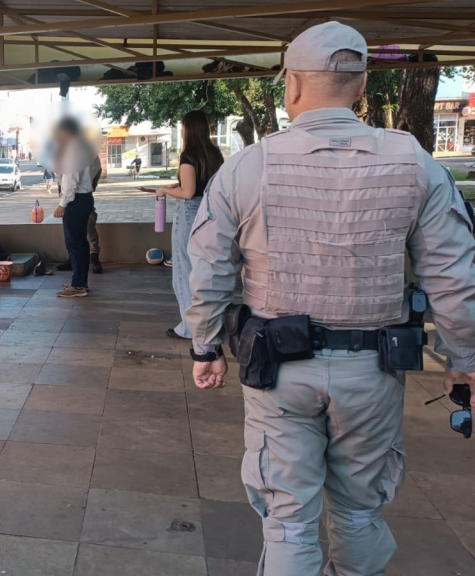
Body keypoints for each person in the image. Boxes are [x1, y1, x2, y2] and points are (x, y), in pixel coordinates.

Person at [185, 22, 475, 576]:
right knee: (361, 512)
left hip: (278, 371)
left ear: (292, 84)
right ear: (361, 84)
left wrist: (205, 346)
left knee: (289, 521)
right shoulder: (414, 162)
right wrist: (464, 359)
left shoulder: (249, 166)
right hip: (374, 371)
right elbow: (453, 276)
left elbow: (209, 267)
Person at [156, 110, 224, 340]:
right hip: (211, 212)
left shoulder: (188, 156)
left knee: (183, 270)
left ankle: (188, 327)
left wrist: (164, 190)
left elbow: (188, 192)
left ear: (187, 129)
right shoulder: (215, 154)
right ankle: (211, 323)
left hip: (189, 213)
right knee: (206, 271)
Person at [52, 118, 95, 298]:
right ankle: (80, 281)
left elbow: (70, 181)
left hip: (75, 201)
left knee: (74, 243)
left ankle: (78, 285)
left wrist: (62, 204)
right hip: (85, 198)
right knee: (80, 242)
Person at [56, 154, 104, 274]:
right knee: (72, 235)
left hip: (79, 195)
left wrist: (89, 186)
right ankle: (74, 260)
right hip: (73, 193)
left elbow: (97, 169)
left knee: (87, 226)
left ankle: (93, 256)